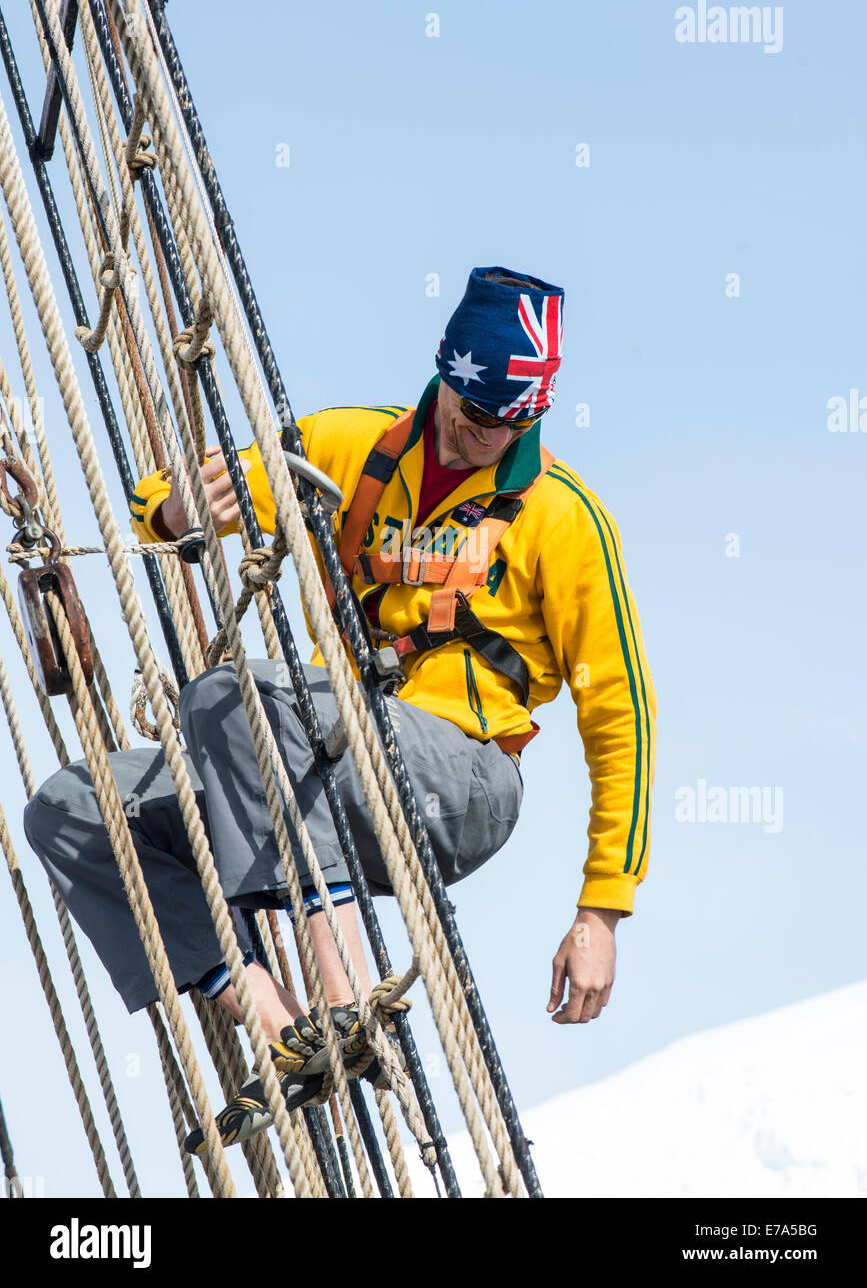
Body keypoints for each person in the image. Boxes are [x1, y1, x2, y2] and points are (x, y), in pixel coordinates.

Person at [24, 266, 656, 1152]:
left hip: (458, 777)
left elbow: (621, 718)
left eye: (506, 427)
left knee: (235, 698)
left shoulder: (565, 518)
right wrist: (173, 506)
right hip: (311, 757)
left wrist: (602, 910)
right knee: (72, 810)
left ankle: (347, 995)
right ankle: (281, 1024)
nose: (481, 439)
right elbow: (172, 496)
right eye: (469, 416)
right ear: (442, 377)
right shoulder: (345, 444)